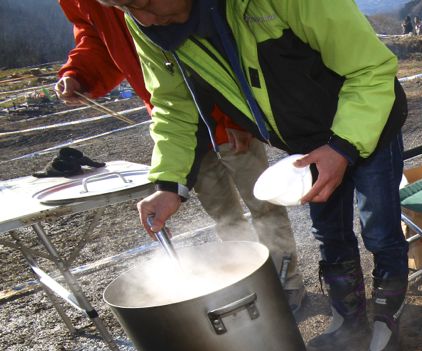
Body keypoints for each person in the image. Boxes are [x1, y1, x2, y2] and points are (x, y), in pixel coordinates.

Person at [96, 0, 410, 351]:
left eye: (145, 2)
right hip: (306, 143)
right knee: (330, 234)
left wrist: (343, 148)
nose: (141, 18)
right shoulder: (149, 24)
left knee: (381, 231)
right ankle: (349, 321)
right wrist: (169, 183)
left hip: (371, 122)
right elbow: (173, 106)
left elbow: (371, 70)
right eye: (123, 7)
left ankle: (387, 321)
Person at [54, 0, 305, 311]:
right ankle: (249, 283)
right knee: (222, 212)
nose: (142, 19)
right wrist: (79, 73)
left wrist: (239, 117)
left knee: (263, 205)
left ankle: (287, 281)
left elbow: (217, 29)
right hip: (172, 115)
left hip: (225, 106)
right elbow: (95, 37)